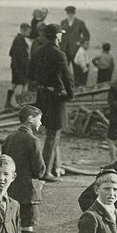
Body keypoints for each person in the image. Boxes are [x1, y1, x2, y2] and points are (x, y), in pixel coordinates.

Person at [1, 105, 47, 233]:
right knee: (28, 224)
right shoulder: (33, 140)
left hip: (10, 187)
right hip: (27, 190)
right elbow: (40, 170)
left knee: (11, 222)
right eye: (39, 118)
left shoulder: (10, 137)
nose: (40, 123)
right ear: (30, 118)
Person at [30, 24, 73, 179]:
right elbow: (68, 77)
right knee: (52, 134)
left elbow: (30, 74)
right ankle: (45, 171)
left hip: (42, 96)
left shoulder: (37, 52)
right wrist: (70, 94)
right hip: (56, 97)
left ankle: (55, 167)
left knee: (52, 133)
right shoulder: (59, 54)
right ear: (57, 36)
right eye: (60, 35)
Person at [8, 23, 30, 110]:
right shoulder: (20, 40)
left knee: (15, 84)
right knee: (21, 84)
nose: (29, 33)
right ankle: (20, 103)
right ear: (23, 30)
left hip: (15, 65)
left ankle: (8, 102)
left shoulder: (18, 39)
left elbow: (11, 52)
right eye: (28, 31)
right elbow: (21, 56)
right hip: (20, 66)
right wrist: (27, 62)